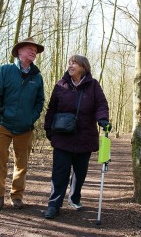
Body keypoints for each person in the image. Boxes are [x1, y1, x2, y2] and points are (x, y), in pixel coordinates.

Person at [43, 54, 111, 219]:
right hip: (62, 136)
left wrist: (103, 119)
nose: (70, 65)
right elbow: (52, 109)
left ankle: (74, 198)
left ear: (83, 67)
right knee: (60, 172)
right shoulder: (60, 85)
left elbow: (101, 104)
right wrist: (48, 129)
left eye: (74, 63)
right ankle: (54, 204)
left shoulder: (93, 85)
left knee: (80, 172)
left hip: (84, 136)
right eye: (70, 63)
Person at [0, 37, 45, 209]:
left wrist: (31, 118)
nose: (33, 52)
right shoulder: (5, 70)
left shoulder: (37, 77)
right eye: (29, 49)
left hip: (25, 128)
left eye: (35, 50)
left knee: (22, 163)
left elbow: (40, 101)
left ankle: (17, 196)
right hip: (2, 124)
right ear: (19, 51)